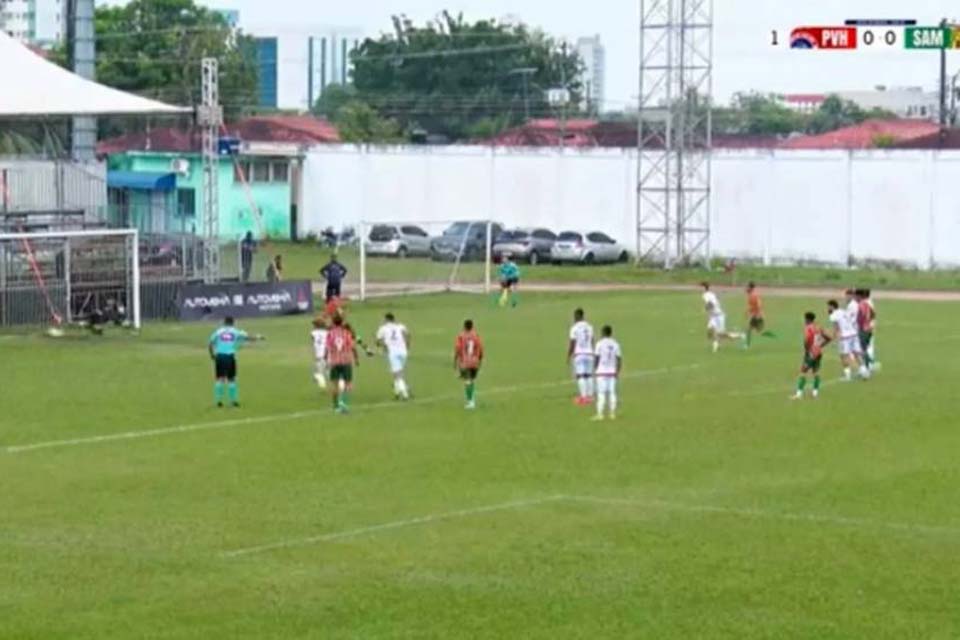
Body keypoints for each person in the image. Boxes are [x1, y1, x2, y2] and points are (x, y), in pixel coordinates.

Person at [208, 316, 264, 408]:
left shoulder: (218, 332)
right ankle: (233, 401)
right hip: (230, 356)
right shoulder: (235, 331)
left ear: (224, 322)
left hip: (219, 356)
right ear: (233, 323)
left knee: (220, 378)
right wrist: (259, 337)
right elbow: (248, 337)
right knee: (231, 379)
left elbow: (210, 343)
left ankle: (218, 401)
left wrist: (212, 355)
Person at [828, 299, 869, 381]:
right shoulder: (844, 311)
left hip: (845, 337)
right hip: (853, 334)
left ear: (832, 306)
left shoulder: (833, 315)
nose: (828, 308)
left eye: (829, 307)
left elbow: (836, 327)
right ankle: (864, 372)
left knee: (844, 356)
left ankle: (847, 375)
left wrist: (833, 338)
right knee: (857, 354)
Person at [793, 312, 832, 400]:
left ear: (807, 319)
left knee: (803, 372)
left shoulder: (808, 328)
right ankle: (815, 394)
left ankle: (799, 394)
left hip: (811, 353)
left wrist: (807, 348)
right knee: (816, 372)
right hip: (818, 352)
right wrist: (821, 345)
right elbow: (829, 338)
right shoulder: (818, 327)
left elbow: (807, 339)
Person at [325, 314, 359, 413]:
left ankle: (335, 406)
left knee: (334, 384)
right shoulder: (346, 333)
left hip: (334, 362)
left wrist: (325, 358)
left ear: (333, 322)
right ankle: (343, 402)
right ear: (342, 322)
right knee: (348, 384)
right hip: (346, 361)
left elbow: (327, 348)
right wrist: (356, 358)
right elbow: (353, 347)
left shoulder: (330, 334)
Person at [376, 312, 411, 400]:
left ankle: (405, 394)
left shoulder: (383, 328)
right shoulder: (400, 326)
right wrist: (407, 345)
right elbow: (408, 334)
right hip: (403, 352)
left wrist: (383, 347)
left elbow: (378, 340)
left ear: (386, 319)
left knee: (398, 374)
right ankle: (397, 393)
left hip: (393, 353)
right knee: (397, 373)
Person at [592, 325, 622, 421]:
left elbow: (597, 358)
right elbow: (619, 360)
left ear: (603, 333)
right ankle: (612, 413)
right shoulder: (616, 344)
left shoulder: (599, 344)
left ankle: (600, 414)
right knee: (612, 392)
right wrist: (617, 371)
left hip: (601, 371)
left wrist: (595, 369)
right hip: (612, 372)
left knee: (601, 393)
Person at [702, 282, 742, 353]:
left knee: (720, 334)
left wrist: (706, 308)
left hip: (718, 316)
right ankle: (716, 345)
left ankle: (738, 336)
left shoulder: (705, 295)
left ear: (703, 288)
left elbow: (711, 304)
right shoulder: (710, 294)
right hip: (713, 316)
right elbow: (715, 301)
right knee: (710, 331)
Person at [454, 319, 484, 410]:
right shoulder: (476, 336)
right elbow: (481, 349)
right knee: (472, 380)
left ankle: (470, 402)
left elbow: (458, 349)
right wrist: (480, 360)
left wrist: (456, 361)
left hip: (466, 362)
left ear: (464, 326)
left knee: (467, 381)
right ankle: (472, 399)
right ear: (472, 326)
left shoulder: (461, 336)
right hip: (475, 362)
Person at [567, 308, 595, 405]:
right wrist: (593, 351)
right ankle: (590, 396)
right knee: (589, 375)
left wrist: (569, 355)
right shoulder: (589, 327)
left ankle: (583, 397)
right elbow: (592, 340)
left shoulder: (574, 328)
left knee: (580, 376)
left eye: (575, 316)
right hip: (589, 353)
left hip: (579, 353)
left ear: (578, 316)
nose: (574, 318)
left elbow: (572, 343)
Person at [744, 281, 776, 347]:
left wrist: (757, 314)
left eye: (747, 287)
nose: (745, 288)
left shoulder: (754, 295)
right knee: (750, 330)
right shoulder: (750, 295)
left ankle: (773, 336)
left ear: (750, 288)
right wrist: (749, 311)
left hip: (758, 316)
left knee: (756, 331)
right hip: (755, 316)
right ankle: (747, 345)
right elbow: (752, 306)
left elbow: (759, 305)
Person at [857, 288, 877, 371]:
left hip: (864, 328)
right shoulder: (870, 302)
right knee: (867, 346)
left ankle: (869, 365)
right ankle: (870, 364)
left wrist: (863, 323)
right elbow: (873, 314)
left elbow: (862, 316)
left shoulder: (863, 303)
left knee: (863, 348)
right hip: (869, 327)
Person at [310, 315, 329, 390]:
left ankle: (323, 386)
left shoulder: (313, 333)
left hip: (319, 355)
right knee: (327, 370)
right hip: (327, 354)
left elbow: (314, 339)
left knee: (319, 374)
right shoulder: (327, 332)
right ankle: (339, 382)